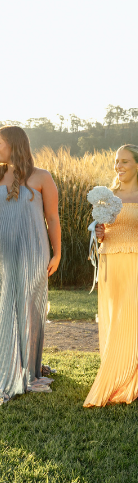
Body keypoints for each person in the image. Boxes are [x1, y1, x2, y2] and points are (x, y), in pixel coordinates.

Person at [84, 145, 138, 407]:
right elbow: (102, 233)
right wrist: (98, 235)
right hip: (109, 261)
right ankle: (116, 370)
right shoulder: (106, 196)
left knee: (131, 320)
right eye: (116, 162)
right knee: (111, 319)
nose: (119, 166)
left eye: (125, 162)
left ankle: (125, 379)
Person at [0, 125, 61, 404]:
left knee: (29, 309)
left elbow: (52, 218)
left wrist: (57, 253)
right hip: (3, 255)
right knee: (4, 308)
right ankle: (8, 367)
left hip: (33, 253)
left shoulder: (42, 177)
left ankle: (29, 370)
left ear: (14, 145)